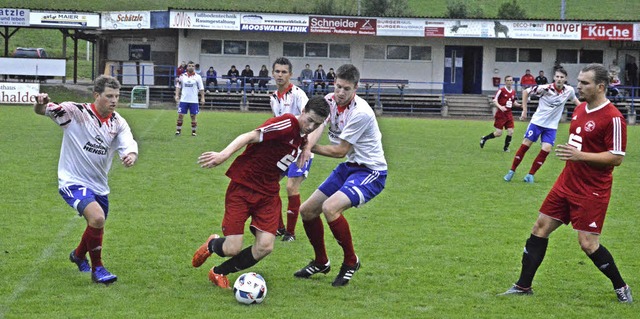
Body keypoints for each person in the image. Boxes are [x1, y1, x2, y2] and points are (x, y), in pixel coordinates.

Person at [499, 64, 631, 303]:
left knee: (588, 244)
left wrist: (580, 156)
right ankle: (523, 286)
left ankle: (621, 287)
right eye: (578, 81)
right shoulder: (580, 109)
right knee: (540, 228)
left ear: (600, 87)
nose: (578, 86)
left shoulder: (613, 118)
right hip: (566, 183)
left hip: (592, 189)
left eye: (584, 83)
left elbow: (616, 157)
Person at [191, 96, 330, 289]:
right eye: (310, 120)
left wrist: (306, 146)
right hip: (243, 187)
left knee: (265, 246)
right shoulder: (286, 123)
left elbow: (282, 162)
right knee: (232, 248)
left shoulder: (301, 138)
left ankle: (218, 272)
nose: (311, 126)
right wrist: (222, 155)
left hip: (268, 194)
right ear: (303, 111)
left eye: (317, 124)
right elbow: (250, 136)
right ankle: (212, 244)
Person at [33, 75, 138, 284]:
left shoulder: (118, 122)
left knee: (95, 223)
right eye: (109, 96)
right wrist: (40, 104)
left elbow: (129, 143)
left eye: (117, 96)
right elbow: (43, 110)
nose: (114, 100)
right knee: (98, 218)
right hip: (72, 181)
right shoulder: (75, 112)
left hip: (99, 185)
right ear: (97, 95)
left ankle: (79, 255)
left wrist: (131, 155)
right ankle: (98, 269)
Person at [293, 64, 388, 287]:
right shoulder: (329, 101)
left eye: (346, 88)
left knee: (330, 208)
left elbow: (339, 151)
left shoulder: (361, 113)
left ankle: (350, 261)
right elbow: (317, 126)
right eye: (337, 86)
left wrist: (308, 147)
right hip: (349, 167)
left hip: (371, 171)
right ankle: (320, 262)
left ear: (356, 87)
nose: (340, 92)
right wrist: (306, 146)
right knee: (307, 211)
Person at [504, 68, 580, 183]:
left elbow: (576, 102)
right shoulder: (545, 88)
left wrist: (586, 112)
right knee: (526, 145)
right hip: (537, 123)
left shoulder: (569, 90)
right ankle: (512, 171)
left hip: (551, 127)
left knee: (547, 149)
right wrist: (524, 110)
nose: (559, 79)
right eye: (557, 77)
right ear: (554, 77)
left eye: (562, 77)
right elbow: (526, 92)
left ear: (565, 79)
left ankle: (530, 175)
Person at [269, 57, 310, 242]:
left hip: (300, 150)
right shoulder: (273, 97)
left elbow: (311, 120)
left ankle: (290, 234)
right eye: (277, 71)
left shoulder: (298, 95)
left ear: (290, 74)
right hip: (283, 150)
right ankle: (278, 227)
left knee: (291, 187)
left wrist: (307, 147)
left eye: (284, 72)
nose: (280, 75)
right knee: (268, 185)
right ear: (272, 73)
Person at [480, 75, 521, 152]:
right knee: (499, 133)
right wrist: (500, 107)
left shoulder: (513, 92)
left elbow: (513, 102)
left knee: (511, 131)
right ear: (505, 82)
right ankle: (484, 138)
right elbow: (495, 100)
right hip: (501, 114)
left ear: (512, 81)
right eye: (508, 80)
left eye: (510, 80)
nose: (509, 82)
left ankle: (506, 148)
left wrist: (520, 105)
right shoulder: (501, 90)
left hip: (508, 114)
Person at [174, 61, 205, 136]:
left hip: (193, 100)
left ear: (194, 67)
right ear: (187, 67)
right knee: (180, 115)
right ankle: (178, 130)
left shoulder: (198, 77)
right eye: (189, 66)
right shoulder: (182, 76)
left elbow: (201, 88)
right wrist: (177, 95)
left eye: (192, 66)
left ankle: (193, 132)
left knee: (193, 116)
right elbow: (178, 86)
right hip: (184, 99)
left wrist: (202, 98)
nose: (191, 67)